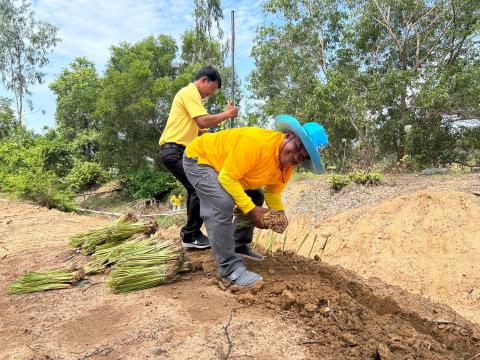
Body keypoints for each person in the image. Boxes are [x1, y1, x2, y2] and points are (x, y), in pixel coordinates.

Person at [183, 114, 328, 286]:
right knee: (223, 202)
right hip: (201, 159)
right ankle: (230, 270)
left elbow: (272, 193)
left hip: (227, 170)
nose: (296, 156)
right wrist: (252, 211)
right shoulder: (256, 144)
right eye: (297, 147)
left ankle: (239, 244)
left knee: (256, 196)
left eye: (303, 156)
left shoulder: (287, 167)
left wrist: (278, 215)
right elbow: (227, 178)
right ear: (289, 135)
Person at [159, 66, 238, 249]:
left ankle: (192, 233)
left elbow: (204, 132)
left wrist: (227, 142)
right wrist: (227, 115)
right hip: (174, 151)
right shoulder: (189, 92)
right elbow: (202, 121)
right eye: (212, 89)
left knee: (197, 187)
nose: (211, 94)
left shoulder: (194, 101)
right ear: (203, 80)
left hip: (181, 152)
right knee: (198, 187)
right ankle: (191, 235)